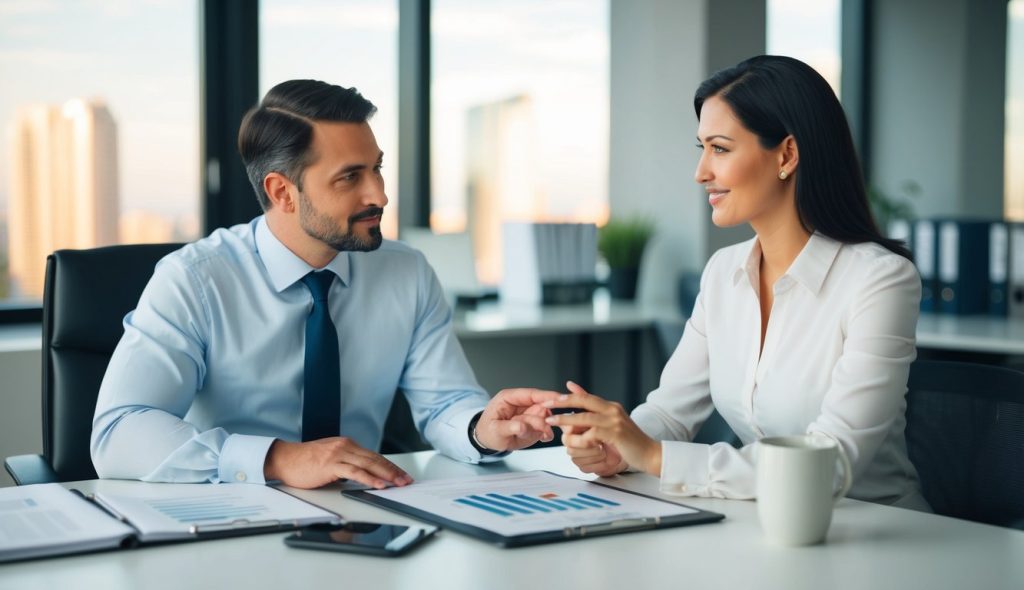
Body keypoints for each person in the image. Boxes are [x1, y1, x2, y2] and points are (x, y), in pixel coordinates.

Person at [91, 80, 560, 490]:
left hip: (362, 513)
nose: (379, 194)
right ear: (281, 192)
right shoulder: (195, 280)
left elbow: (445, 403)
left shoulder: (407, 272)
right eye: (349, 177)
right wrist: (279, 459)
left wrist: (482, 429)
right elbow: (119, 432)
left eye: (376, 168)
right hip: (229, 508)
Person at [545, 55, 929, 510]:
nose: (701, 172)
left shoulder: (879, 280)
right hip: (762, 523)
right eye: (701, 148)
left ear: (786, 154)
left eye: (720, 149)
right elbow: (670, 412)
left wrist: (653, 455)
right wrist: (615, 447)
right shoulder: (723, 272)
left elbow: (832, 464)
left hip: (877, 535)